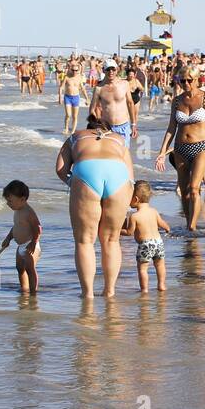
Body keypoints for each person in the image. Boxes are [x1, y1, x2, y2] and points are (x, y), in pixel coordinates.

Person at [57, 115, 134, 298]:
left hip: (86, 171)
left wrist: (74, 184)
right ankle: (109, 291)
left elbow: (60, 169)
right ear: (108, 129)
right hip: (117, 174)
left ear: (89, 127)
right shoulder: (119, 139)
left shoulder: (75, 136)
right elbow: (131, 177)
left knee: (85, 241)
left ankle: (88, 294)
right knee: (111, 240)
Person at [155, 66, 205, 231]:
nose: (185, 83)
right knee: (184, 190)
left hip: (201, 147)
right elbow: (172, 127)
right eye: (182, 80)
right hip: (180, 148)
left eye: (189, 80)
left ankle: (192, 226)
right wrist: (162, 152)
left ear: (197, 80)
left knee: (194, 188)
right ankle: (188, 224)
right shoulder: (177, 100)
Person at [123, 180, 172, 293]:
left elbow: (129, 232)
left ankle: (144, 289)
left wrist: (118, 231)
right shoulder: (154, 211)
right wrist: (167, 228)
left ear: (135, 199)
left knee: (142, 269)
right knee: (160, 265)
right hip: (158, 242)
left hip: (145, 245)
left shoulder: (134, 216)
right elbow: (162, 224)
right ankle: (161, 285)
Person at [0, 180, 41, 294]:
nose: (8, 204)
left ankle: (33, 292)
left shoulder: (28, 212)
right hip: (21, 246)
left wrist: (34, 242)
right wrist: (8, 238)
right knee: (20, 268)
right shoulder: (17, 211)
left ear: (22, 199)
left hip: (30, 245)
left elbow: (38, 228)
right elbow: (16, 227)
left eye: (10, 201)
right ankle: (24, 289)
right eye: (7, 201)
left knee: (30, 269)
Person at [92, 60, 136, 147]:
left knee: (123, 155)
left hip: (124, 126)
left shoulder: (124, 84)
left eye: (113, 69)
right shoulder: (99, 88)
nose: (111, 72)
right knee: (109, 156)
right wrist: (98, 126)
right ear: (104, 70)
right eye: (108, 69)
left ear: (117, 70)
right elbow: (92, 109)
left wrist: (133, 124)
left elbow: (130, 103)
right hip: (107, 129)